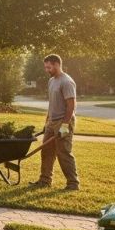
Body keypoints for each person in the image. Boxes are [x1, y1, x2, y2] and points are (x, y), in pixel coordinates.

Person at [29, 54, 80, 190]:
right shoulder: (52, 81)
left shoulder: (67, 81)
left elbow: (71, 105)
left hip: (63, 121)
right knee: (46, 151)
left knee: (63, 152)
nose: (47, 70)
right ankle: (45, 181)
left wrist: (64, 125)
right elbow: (52, 103)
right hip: (52, 121)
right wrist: (47, 122)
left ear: (57, 64)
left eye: (49, 67)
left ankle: (73, 183)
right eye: (45, 67)